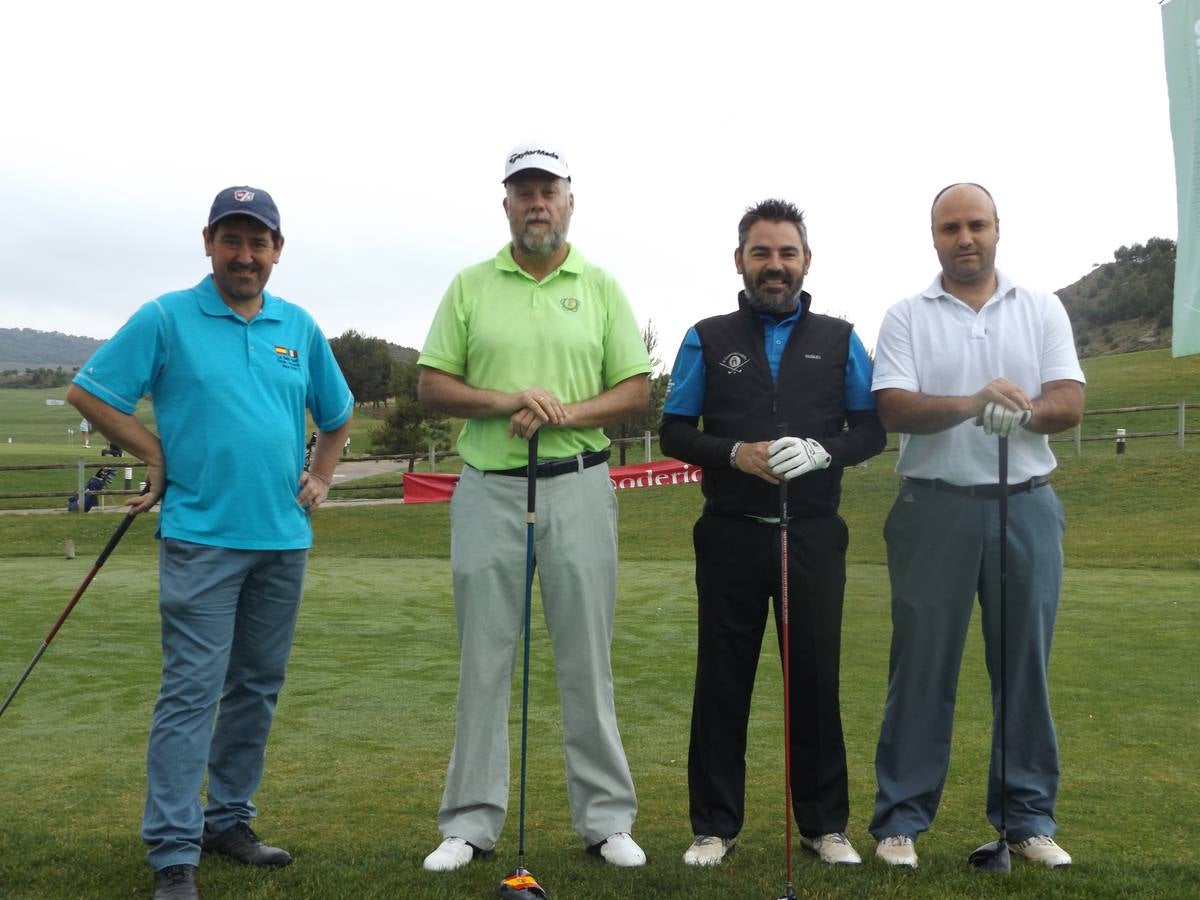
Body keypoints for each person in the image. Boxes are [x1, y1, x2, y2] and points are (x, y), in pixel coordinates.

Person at [67, 186, 354, 900]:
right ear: (208, 243)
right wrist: (154, 454)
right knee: (191, 693)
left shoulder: (299, 325)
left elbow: (338, 414)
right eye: (233, 240)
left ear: (277, 250)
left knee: (255, 688)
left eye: (259, 242)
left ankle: (226, 820)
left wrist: (321, 474)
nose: (246, 255)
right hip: (200, 538)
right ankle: (173, 847)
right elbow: (90, 391)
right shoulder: (167, 316)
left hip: (283, 540)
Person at [417, 141, 651, 872]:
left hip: (579, 485)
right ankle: (469, 823)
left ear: (570, 198)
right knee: (483, 660)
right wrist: (510, 400)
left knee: (587, 659)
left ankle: (606, 820)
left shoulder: (602, 286)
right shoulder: (469, 286)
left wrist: (560, 414)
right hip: (488, 487)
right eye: (523, 191)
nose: (536, 202)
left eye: (548, 189)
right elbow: (432, 385)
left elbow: (634, 391)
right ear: (507, 204)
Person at [660, 199, 886, 868]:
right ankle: (714, 826)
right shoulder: (708, 336)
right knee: (722, 680)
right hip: (731, 532)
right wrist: (734, 454)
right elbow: (676, 429)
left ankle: (824, 825)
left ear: (806, 261)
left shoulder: (841, 339)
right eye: (761, 253)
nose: (775, 266)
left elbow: (870, 429)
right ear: (741, 261)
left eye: (787, 253)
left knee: (814, 680)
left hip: (813, 532)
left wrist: (823, 451)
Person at [868, 183, 1085, 869]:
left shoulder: (1042, 308)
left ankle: (1026, 820)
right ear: (934, 237)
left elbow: (1070, 401)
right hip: (933, 505)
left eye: (977, 225)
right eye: (951, 227)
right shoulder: (906, 315)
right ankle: (900, 819)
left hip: (1024, 502)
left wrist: (1023, 413)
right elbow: (893, 408)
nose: (966, 238)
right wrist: (972, 402)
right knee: (922, 668)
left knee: (1024, 667)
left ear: (998, 230)